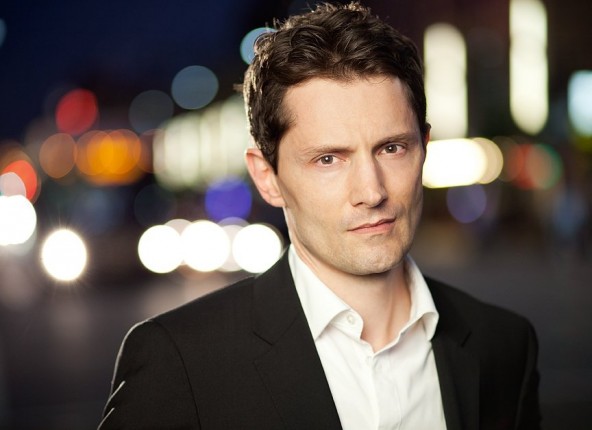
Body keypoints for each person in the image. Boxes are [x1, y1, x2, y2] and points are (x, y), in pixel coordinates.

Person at [99, 2, 541, 429]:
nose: (371, 192)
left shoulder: (504, 345)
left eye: (392, 148)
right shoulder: (178, 361)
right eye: (329, 159)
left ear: (423, 149)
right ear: (267, 177)